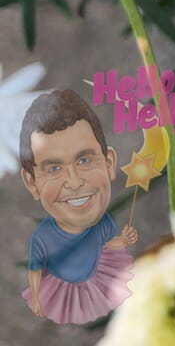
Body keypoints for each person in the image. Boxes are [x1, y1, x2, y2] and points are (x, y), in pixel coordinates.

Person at [19, 88, 138, 324]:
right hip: (62, 289)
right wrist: (35, 295)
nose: (74, 182)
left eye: (84, 160)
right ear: (31, 183)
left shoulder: (104, 222)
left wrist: (122, 241)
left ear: (109, 163)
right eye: (53, 168)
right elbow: (35, 269)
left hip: (96, 280)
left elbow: (104, 247)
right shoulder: (42, 237)